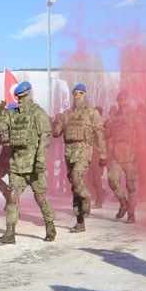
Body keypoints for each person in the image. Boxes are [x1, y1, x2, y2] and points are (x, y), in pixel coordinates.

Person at [0, 81, 56, 243]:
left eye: (23, 96)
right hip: (17, 165)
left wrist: (40, 160)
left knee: (40, 197)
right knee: (12, 196)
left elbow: (45, 138)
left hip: (33, 166)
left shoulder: (38, 113)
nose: (20, 99)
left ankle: (50, 224)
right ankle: (10, 231)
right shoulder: (13, 114)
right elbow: (0, 126)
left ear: (29, 94)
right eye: (18, 97)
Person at [50, 83, 107, 232]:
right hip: (69, 152)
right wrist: (56, 120)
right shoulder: (66, 114)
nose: (78, 96)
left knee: (76, 177)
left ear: (85, 95)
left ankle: (87, 195)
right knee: (75, 187)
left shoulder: (92, 113)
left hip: (84, 150)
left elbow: (100, 134)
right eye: (75, 93)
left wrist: (102, 153)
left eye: (80, 93)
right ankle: (80, 221)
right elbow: (56, 133)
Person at [104, 92, 141, 224]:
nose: (122, 102)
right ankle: (123, 203)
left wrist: (140, 155)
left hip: (131, 156)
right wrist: (106, 126)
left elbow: (142, 136)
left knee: (131, 186)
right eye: (119, 100)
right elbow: (107, 135)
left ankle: (131, 214)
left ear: (128, 100)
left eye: (124, 99)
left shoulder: (135, 116)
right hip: (117, 156)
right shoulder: (114, 118)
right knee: (112, 179)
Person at [0, 103, 15, 202]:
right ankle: (8, 196)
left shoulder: (19, 123)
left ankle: (13, 206)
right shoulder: (4, 124)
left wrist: (6, 138)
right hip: (4, 155)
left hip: (14, 156)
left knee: (13, 184)